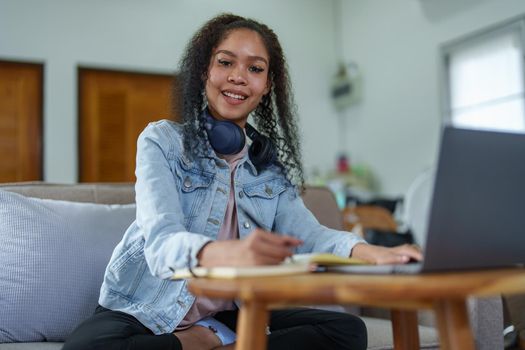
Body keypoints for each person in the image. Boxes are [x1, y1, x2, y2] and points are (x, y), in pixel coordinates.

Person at [63, 13, 422, 350]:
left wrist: (370, 252)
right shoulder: (162, 141)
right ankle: (208, 341)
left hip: (231, 310)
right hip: (149, 306)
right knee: (86, 347)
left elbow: (311, 236)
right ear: (205, 70)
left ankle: (219, 336)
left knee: (347, 330)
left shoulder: (268, 166)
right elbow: (161, 241)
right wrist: (225, 253)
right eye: (225, 62)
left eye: (255, 68)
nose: (239, 76)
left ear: (267, 85)